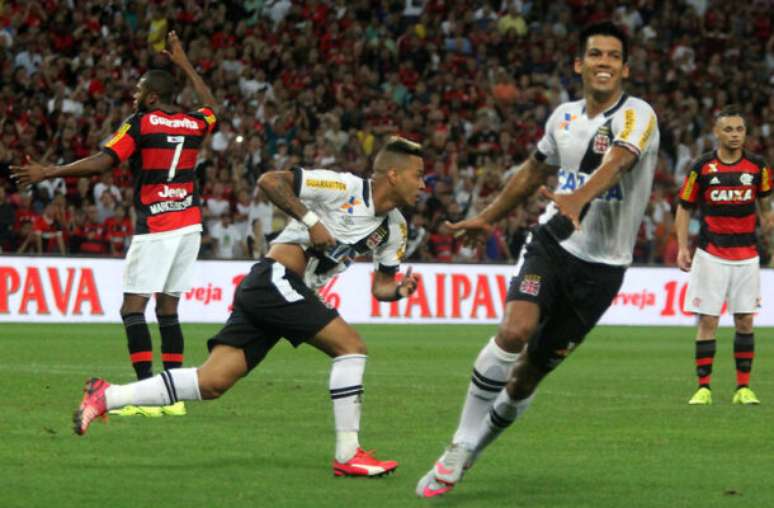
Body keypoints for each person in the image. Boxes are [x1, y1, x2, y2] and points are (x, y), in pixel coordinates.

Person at [73, 137, 424, 478]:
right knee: (351, 348)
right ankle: (349, 455)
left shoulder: (395, 228)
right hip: (276, 279)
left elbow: (381, 286)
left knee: (211, 382)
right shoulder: (343, 187)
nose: (422, 185)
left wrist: (398, 291)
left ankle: (108, 395)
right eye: (417, 175)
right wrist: (313, 223)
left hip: (277, 292)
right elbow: (270, 181)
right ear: (393, 175)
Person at [415, 22, 659, 498]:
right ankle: (459, 443)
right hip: (553, 242)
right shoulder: (562, 118)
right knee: (513, 331)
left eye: (613, 56)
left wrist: (581, 197)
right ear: (579, 64)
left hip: (603, 268)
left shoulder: (638, 114)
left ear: (625, 68)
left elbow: (621, 161)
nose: (603, 62)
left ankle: (475, 449)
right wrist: (488, 216)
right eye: (595, 54)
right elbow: (532, 171)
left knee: (529, 374)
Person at [11, 31, 217, 418]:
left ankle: (144, 396)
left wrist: (48, 172)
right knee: (168, 310)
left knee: (132, 309)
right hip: (190, 225)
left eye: (140, 89)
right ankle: (172, 398)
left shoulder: (141, 123)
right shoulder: (195, 123)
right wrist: (184, 62)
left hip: (157, 225)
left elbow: (104, 161)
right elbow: (212, 106)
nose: (134, 95)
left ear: (152, 96)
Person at [675, 106, 772, 406]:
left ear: (745, 133)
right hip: (711, 254)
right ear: (717, 133)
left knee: (745, 320)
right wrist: (681, 247)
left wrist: (769, 226)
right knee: (708, 320)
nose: (734, 135)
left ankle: (743, 388)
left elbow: (766, 206)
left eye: (739, 129)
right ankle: (704, 387)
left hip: (747, 255)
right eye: (728, 129)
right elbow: (684, 207)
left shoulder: (757, 167)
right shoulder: (701, 167)